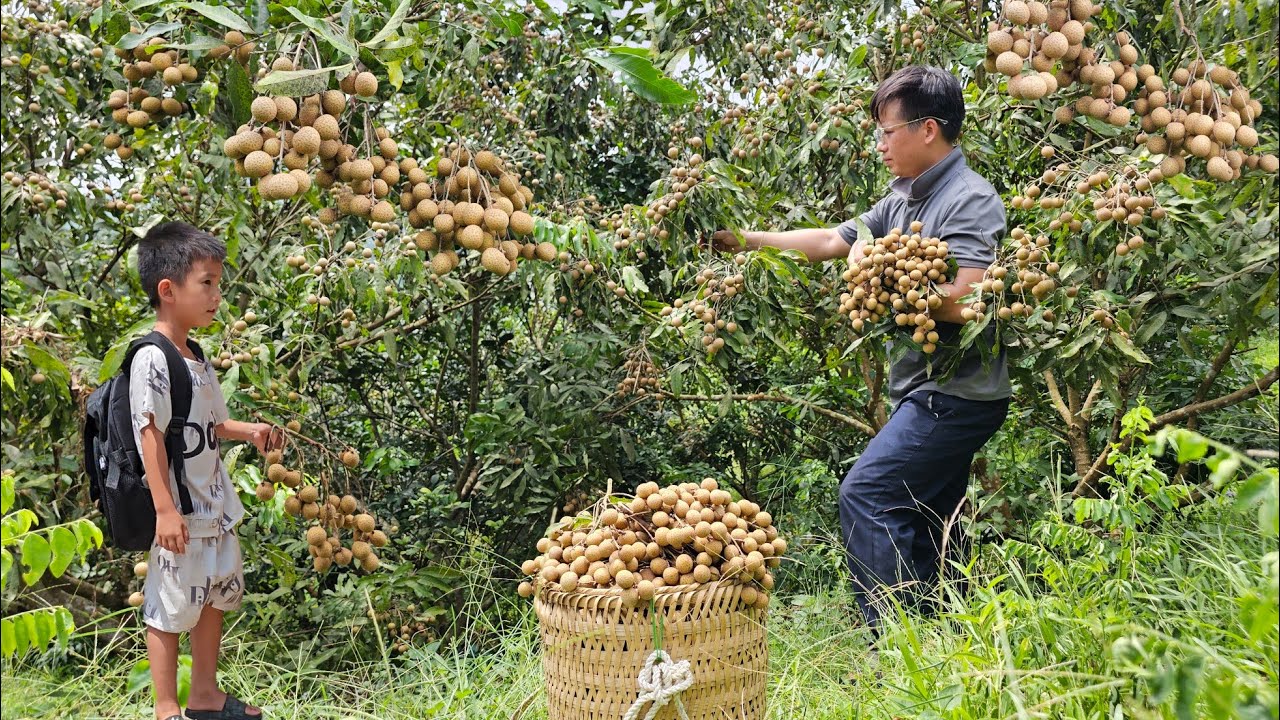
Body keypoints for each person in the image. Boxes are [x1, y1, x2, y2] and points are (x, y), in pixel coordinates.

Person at [712, 65, 1011, 629]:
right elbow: (830, 240)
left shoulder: (969, 199)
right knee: (929, 518)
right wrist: (744, 241)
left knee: (867, 495)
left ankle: (896, 645)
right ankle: (949, 642)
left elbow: (970, 301)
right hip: (926, 388)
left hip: (958, 392)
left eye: (886, 131)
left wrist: (889, 281)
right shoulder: (901, 201)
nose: (879, 144)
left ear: (928, 129)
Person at [130, 221, 277, 720]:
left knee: (213, 597)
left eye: (219, 283)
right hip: (180, 510)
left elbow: (211, 423)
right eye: (207, 283)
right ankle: (166, 707)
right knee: (169, 607)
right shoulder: (153, 356)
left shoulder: (196, 354)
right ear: (167, 291)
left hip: (214, 503)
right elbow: (148, 432)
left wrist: (249, 432)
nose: (218, 295)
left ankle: (206, 696)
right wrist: (164, 510)